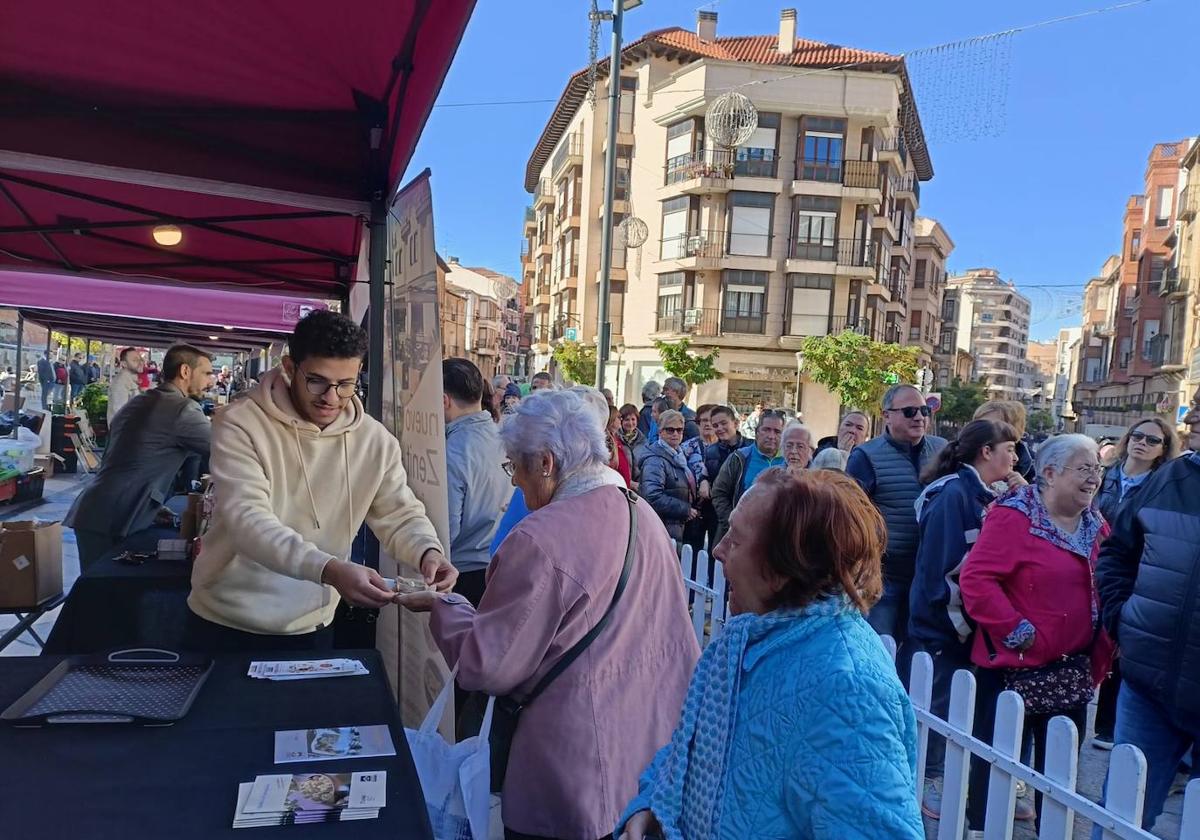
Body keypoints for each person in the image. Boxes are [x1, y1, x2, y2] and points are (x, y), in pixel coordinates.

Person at [397, 388, 699, 840]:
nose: (514, 481)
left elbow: (487, 664)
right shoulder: (643, 515)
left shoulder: (538, 537)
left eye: (514, 466)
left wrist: (445, 606)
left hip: (567, 767)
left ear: (546, 463)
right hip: (645, 759)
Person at [617, 469, 925, 840]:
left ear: (783, 568)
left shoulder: (847, 688)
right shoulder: (751, 638)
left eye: (737, 540)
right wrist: (652, 801)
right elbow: (697, 750)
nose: (718, 549)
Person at [187, 310, 456, 651]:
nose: (331, 397)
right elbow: (248, 521)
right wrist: (329, 570)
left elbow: (399, 513)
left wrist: (427, 551)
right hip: (225, 620)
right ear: (289, 368)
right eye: (317, 380)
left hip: (312, 623)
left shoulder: (375, 440)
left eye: (346, 384)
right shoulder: (239, 423)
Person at [959, 434, 1113, 837]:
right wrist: (1019, 631)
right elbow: (977, 580)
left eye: (1097, 469)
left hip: (1072, 671)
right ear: (1048, 473)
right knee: (996, 765)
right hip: (1013, 670)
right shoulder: (1013, 516)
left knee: (1059, 774)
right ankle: (983, 828)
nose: (1094, 478)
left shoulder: (1096, 523)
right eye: (1084, 469)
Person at [1092, 387, 1200, 835]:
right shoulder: (1170, 479)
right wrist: (1124, 620)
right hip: (1150, 682)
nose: (1193, 415)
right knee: (1121, 816)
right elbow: (1117, 553)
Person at [907, 419, 1020, 819]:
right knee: (935, 707)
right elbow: (941, 570)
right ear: (986, 452)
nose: (1016, 457)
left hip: (965, 627)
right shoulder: (953, 494)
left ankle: (941, 776)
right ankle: (927, 780)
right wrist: (958, 626)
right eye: (1009, 448)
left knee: (956, 706)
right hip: (943, 626)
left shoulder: (986, 493)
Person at [64, 345, 214, 568]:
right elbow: (229, 450)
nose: (210, 381)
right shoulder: (182, 409)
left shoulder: (142, 401)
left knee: (98, 591)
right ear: (185, 371)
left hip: (98, 509)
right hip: (117, 514)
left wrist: (149, 505)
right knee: (103, 594)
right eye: (207, 373)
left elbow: (128, 458)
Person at [1091, 415, 1178, 750]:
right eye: (1138, 436)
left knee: (1120, 642)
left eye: (1152, 440)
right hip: (1094, 562)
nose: (1142, 443)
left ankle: (1107, 726)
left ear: (1163, 449)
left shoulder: (1162, 484)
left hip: (1133, 570)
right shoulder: (1104, 476)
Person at [846, 384, 947, 656]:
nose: (919, 417)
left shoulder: (942, 450)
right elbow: (850, 515)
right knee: (879, 653)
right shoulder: (866, 456)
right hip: (884, 576)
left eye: (924, 410)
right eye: (910, 411)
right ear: (886, 415)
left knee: (919, 660)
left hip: (927, 577)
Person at [444, 358, 513, 607]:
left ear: (444, 400)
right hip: (503, 565)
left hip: (464, 573)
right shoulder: (505, 436)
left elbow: (446, 531)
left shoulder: (452, 451)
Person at [711, 408, 785, 544]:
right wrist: (732, 523)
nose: (771, 435)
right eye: (766, 430)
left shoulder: (789, 462)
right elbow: (718, 493)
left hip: (777, 540)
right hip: (740, 538)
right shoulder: (740, 458)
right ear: (757, 432)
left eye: (777, 431)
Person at [640, 409, 701, 545]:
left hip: (679, 526)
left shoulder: (680, 455)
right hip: (662, 526)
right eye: (670, 430)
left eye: (679, 430)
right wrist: (685, 510)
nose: (675, 434)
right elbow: (652, 496)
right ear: (660, 431)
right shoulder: (655, 460)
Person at [974, 400, 1035, 483]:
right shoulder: (958, 460)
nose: (981, 429)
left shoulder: (1036, 467)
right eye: (978, 424)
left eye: (992, 426)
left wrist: (1024, 492)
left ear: (1013, 431)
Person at [107, 347, 144, 423]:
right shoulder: (120, 383)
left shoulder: (131, 380)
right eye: (135, 360)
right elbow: (119, 413)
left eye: (140, 359)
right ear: (124, 364)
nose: (140, 363)